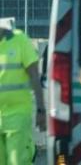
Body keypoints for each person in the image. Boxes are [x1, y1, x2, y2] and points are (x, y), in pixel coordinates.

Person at [0, 18, 45, 165]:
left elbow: (34, 76)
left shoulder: (20, 40)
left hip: (17, 115)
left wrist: (41, 110)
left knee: (17, 161)